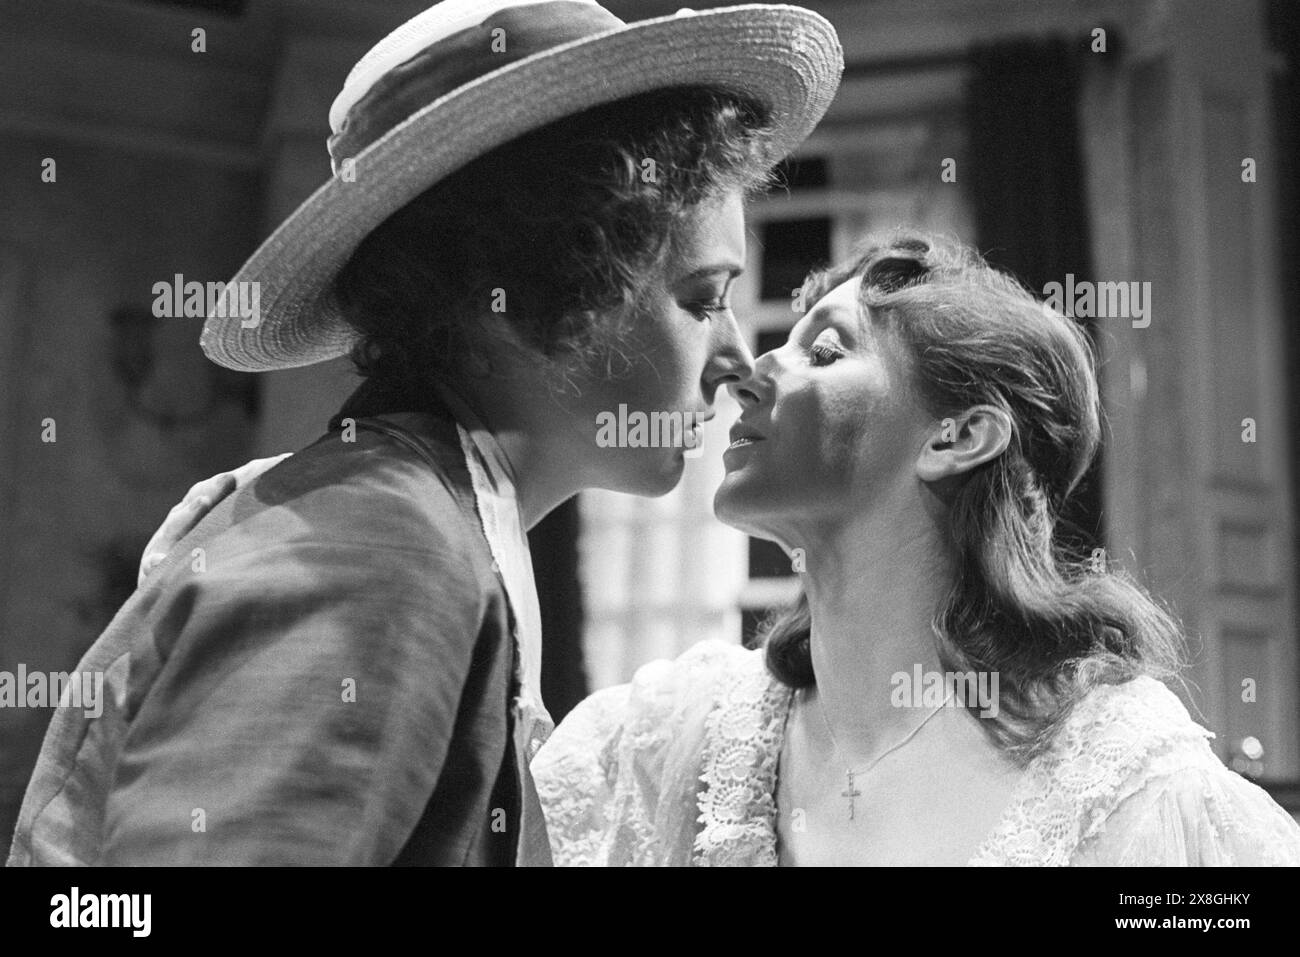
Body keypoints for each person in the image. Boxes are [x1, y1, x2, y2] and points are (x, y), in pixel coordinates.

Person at [5, 0, 843, 866]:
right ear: (549, 277)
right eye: (703, 298)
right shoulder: (384, 543)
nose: (739, 356)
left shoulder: (408, 524)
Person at [531, 232, 1300, 866]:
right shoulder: (671, 738)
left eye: (826, 352)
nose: (752, 372)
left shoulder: (1123, 779)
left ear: (958, 435)